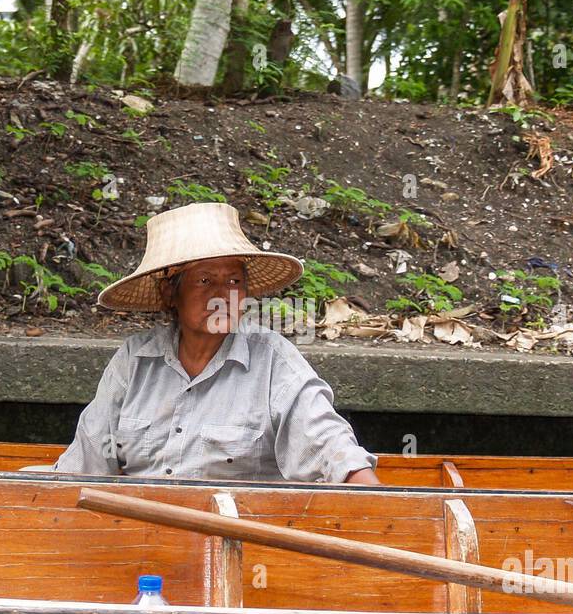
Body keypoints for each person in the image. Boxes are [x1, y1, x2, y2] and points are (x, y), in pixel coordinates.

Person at [52, 202, 381, 484]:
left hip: (238, 547)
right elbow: (85, 464)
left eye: (234, 281)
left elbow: (330, 447)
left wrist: (372, 497)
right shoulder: (135, 361)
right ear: (171, 293)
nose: (223, 296)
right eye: (205, 280)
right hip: (138, 547)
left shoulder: (273, 362)